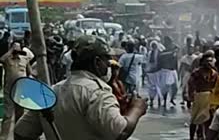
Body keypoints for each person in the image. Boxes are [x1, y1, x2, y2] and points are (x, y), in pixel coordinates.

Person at [14, 35, 148, 140]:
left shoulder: (51, 91)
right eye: (106, 60)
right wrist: (137, 109)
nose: (108, 65)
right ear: (97, 62)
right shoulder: (97, 92)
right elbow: (120, 132)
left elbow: (22, 133)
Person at [0, 41, 32, 138]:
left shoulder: (24, 59)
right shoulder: (7, 58)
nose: (16, 51)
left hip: (21, 89)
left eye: (18, 48)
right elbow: (1, 59)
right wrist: (10, 51)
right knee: (8, 114)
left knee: (20, 113)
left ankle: (18, 135)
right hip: (9, 89)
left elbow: (29, 71)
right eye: (15, 48)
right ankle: (3, 137)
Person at [189, 51, 218, 140]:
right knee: (195, 119)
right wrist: (190, 94)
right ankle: (191, 137)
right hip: (199, 97)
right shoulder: (197, 72)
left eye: (211, 61)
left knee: (209, 119)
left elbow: (217, 86)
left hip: (210, 97)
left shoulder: (214, 73)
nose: (209, 63)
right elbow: (191, 83)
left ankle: (205, 136)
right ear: (203, 61)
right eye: (207, 61)